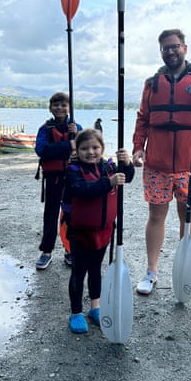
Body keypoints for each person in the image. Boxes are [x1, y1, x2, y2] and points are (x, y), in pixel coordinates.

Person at [132, 28, 191, 297]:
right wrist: (138, 147)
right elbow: (143, 117)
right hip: (157, 163)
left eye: (175, 46)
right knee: (156, 215)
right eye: (165, 47)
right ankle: (151, 272)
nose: (170, 51)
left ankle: (189, 272)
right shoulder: (152, 83)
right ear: (161, 51)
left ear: (185, 47)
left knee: (189, 217)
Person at [61, 128, 134, 334]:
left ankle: (95, 307)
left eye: (95, 147)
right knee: (79, 271)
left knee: (96, 270)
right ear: (78, 150)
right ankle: (76, 312)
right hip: (80, 232)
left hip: (103, 231)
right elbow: (82, 190)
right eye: (84, 148)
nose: (90, 152)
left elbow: (127, 178)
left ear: (102, 148)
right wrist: (107, 183)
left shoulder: (108, 167)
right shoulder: (73, 170)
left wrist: (126, 163)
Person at [35, 92, 82, 270]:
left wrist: (76, 136)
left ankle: (70, 249)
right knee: (51, 214)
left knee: (71, 215)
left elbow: (85, 148)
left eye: (63, 105)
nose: (60, 108)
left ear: (69, 108)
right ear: (50, 108)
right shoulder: (45, 129)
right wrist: (67, 145)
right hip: (53, 178)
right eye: (56, 105)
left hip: (71, 176)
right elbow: (41, 150)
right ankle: (46, 251)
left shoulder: (76, 127)